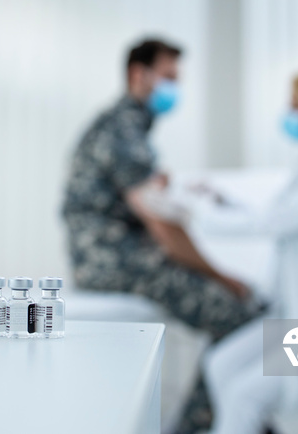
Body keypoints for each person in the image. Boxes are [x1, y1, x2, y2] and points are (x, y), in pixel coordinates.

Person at [155, 68, 298, 434]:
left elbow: (275, 224)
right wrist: (217, 199)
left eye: (297, 106)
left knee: (246, 396)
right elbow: (269, 214)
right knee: (221, 364)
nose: (288, 113)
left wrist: (190, 212)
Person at [61, 38, 264, 433]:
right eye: (169, 78)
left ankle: (233, 419)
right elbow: (166, 231)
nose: (175, 89)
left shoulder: (126, 128)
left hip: (113, 256)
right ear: (139, 74)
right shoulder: (122, 132)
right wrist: (225, 278)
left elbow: (144, 204)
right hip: (115, 261)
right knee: (242, 316)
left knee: (243, 311)